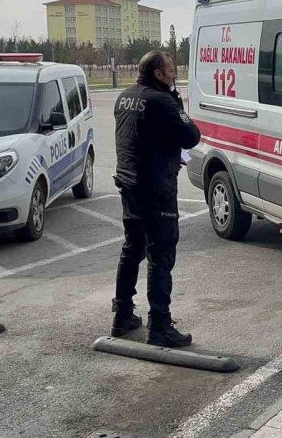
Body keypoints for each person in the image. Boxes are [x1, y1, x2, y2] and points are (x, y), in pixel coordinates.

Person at [112, 51, 201, 347]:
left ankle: (122, 315)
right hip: (156, 191)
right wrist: (177, 103)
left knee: (132, 248)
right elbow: (191, 136)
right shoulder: (162, 102)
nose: (174, 75)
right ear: (158, 74)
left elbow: (141, 136)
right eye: (171, 71)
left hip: (129, 187)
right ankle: (160, 325)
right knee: (160, 257)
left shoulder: (124, 96)